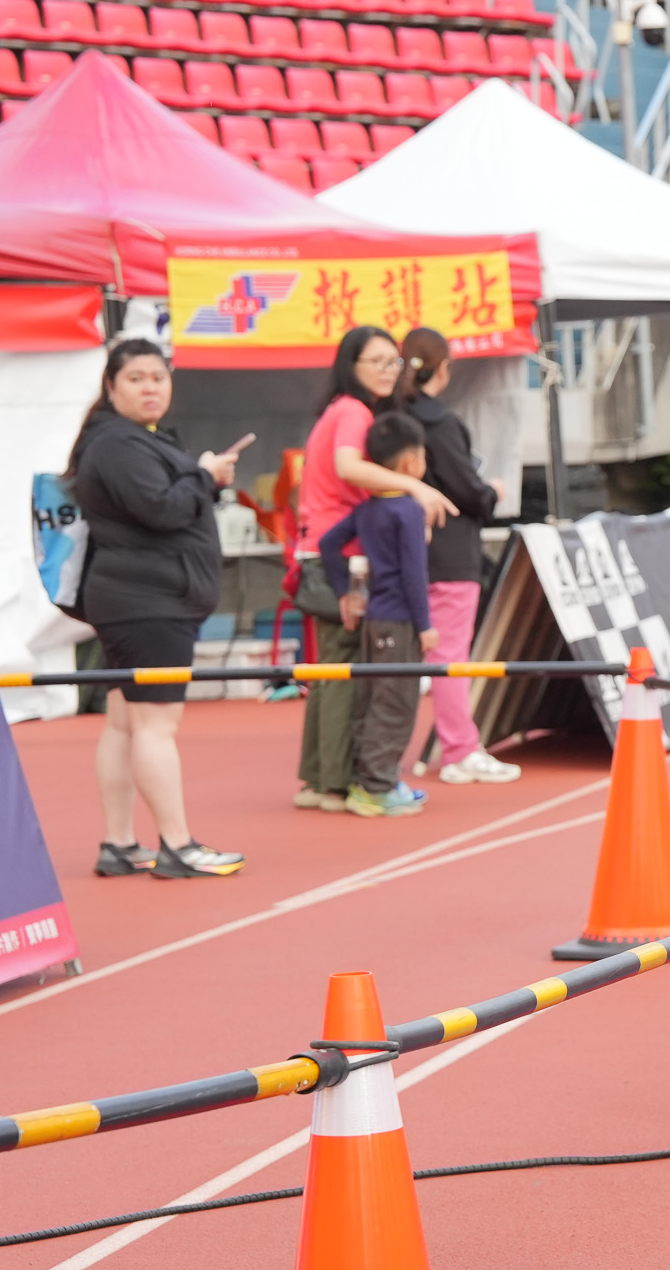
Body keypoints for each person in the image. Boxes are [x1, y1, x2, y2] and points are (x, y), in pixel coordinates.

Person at [65, 338, 249, 879]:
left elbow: (161, 505)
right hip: (148, 602)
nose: (150, 388)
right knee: (153, 725)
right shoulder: (117, 444)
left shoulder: (128, 439)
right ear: (111, 386)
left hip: (137, 599)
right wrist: (203, 476)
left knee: (125, 723)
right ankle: (177, 845)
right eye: (136, 378)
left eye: (159, 378)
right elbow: (161, 508)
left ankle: (120, 843)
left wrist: (202, 480)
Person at [292, 326, 455, 811]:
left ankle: (321, 780)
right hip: (340, 559)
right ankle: (340, 784)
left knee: (332, 671)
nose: (388, 371)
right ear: (351, 365)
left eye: (393, 362)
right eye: (377, 361)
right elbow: (348, 466)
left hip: (323, 550)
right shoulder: (353, 411)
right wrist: (415, 488)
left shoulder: (337, 410)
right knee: (347, 673)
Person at [397, 327, 520, 785]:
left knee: (399, 656)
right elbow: (468, 490)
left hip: (400, 549)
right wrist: (492, 492)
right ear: (444, 368)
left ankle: (379, 756)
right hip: (449, 552)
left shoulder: (390, 417)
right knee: (450, 655)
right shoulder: (441, 424)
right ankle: (459, 750)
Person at [319, 410, 437, 819]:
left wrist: (345, 592)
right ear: (410, 463)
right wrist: (425, 625)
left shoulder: (367, 509)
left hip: (373, 617)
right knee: (396, 702)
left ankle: (367, 779)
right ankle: (377, 786)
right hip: (400, 620)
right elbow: (414, 573)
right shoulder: (408, 510)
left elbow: (328, 544)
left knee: (370, 698)